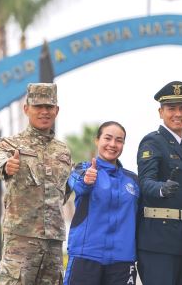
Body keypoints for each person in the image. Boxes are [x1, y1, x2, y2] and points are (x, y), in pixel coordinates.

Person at [0, 83, 71, 284]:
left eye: (49, 107)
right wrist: (7, 165)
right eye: (38, 106)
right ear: (26, 109)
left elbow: (64, 192)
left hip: (53, 244)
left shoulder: (63, 152)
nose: (44, 111)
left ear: (56, 110)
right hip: (21, 242)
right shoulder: (10, 144)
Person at [136, 81, 182, 285]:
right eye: (171, 109)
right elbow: (145, 181)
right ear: (160, 112)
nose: (177, 114)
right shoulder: (152, 141)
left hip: (180, 239)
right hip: (157, 241)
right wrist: (161, 189)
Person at [64, 121, 139, 285]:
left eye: (119, 140)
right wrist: (86, 180)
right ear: (97, 140)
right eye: (108, 138)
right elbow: (78, 185)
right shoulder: (82, 169)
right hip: (86, 255)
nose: (113, 144)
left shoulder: (133, 180)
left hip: (123, 259)